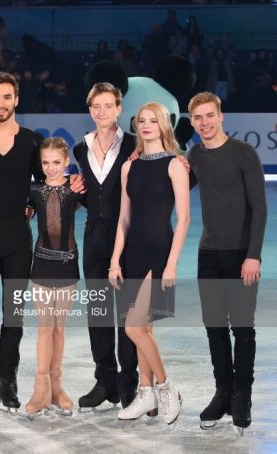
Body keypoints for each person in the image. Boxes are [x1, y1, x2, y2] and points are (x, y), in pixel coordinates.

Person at [0, 72, 83, 412]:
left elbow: (47, 181)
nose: (1, 103)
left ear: (16, 100)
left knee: (13, 313)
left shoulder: (32, 141)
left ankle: (5, 382)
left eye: (7, 97)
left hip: (18, 235)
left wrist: (69, 186)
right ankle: (6, 373)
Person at [187, 92, 266, 433]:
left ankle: (242, 396)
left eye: (209, 115)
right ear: (192, 122)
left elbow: (259, 207)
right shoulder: (195, 155)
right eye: (198, 117)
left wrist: (253, 255)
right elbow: (175, 185)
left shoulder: (243, 153)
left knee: (243, 329)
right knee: (215, 328)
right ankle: (223, 392)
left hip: (241, 255)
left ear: (221, 116)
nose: (204, 122)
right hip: (209, 253)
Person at [108, 102, 190, 425]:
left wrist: (172, 264)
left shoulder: (176, 165)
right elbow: (124, 218)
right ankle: (146, 392)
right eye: (141, 120)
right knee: (143, 328)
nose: (146, 125)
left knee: (133, 327)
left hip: (159, 252)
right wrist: (115, 259)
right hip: (134, 254)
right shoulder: (129, 167)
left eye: (153, 120)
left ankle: (166, 387)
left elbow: (184, 219)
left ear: (163, 125)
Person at [72, 83, 139, 411]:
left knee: (128, 311)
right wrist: (76, 191)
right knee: (98, 309)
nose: (102, 112)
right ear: (90, 110)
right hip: (94, 236)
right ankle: (105, 380)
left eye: (108, 105)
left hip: (128, 236)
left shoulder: (134, 145)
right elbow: (89, 194)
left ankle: (128, 383)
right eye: (96, 106)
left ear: (118, 109)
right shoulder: (80, 149)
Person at [25, 137, 82, 419]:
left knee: (59, 327)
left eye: (56, 162)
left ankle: (57, 386)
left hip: (68, 265)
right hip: (42, 265)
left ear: (67, 162)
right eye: (45, 162)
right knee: (45, 327)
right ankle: (41, 388)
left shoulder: (76, 187)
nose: (51, 167)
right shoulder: (34, 189)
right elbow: (25, 211)